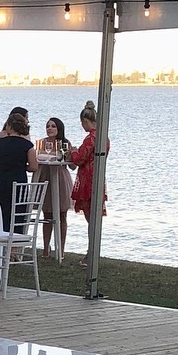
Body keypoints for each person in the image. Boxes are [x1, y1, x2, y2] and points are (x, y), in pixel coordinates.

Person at [69, 99, 108, 262]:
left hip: (87, 179)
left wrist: (72, 151)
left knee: (90, 218)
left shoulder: (90, 138)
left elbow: (79, 159)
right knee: (94, 218)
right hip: (98, 177)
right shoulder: (104, 137)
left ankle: (91, 252)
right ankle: (93, 250)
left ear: (85, 121)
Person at [0, 111, 38, 231]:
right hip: (19, 182)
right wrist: (22, 166)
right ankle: (15, 239)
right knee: (17, 213)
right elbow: (34, 167)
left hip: (1, 181)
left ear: (9, 126)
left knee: (0, 212)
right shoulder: (28, 145)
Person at [36, 116, 74, 258]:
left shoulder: (65, 143)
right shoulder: (42, 143)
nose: (50, 129)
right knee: (47, 214)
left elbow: (72, 166)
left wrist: (70, 154)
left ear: (59, 128)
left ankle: (61, 249)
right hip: (45, 177)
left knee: (62, 214)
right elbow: (38, 157)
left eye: (53, 126)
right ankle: (46, 248)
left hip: (60, 178)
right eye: (48, 126)